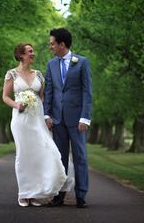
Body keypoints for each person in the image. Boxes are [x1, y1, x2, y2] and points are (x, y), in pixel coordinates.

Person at [2, 43, 73, 207]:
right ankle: (23, 194)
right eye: (30, 51)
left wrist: (48, 117)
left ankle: (34, 193)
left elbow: (43, 98)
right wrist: (17, 105)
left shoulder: (39, 75)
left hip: (38, 119)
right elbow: (5, 96)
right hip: (20, 119)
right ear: (21, 55)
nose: (33, 54)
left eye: (32, 51)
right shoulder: (11, 74)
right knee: (23, 154)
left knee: (43, 152)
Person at [44, 28, 92, 209]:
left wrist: (85, 118)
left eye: (52, 43)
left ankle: (81, 196)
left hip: (77, 119)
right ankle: (59, 196)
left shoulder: (82, 62)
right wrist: (47, 114)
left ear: (62, 44)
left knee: (80, 157)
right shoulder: (51, 64)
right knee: (59, 158)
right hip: (57, 119)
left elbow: (88, 92)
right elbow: (49, 91)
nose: (50, 47)